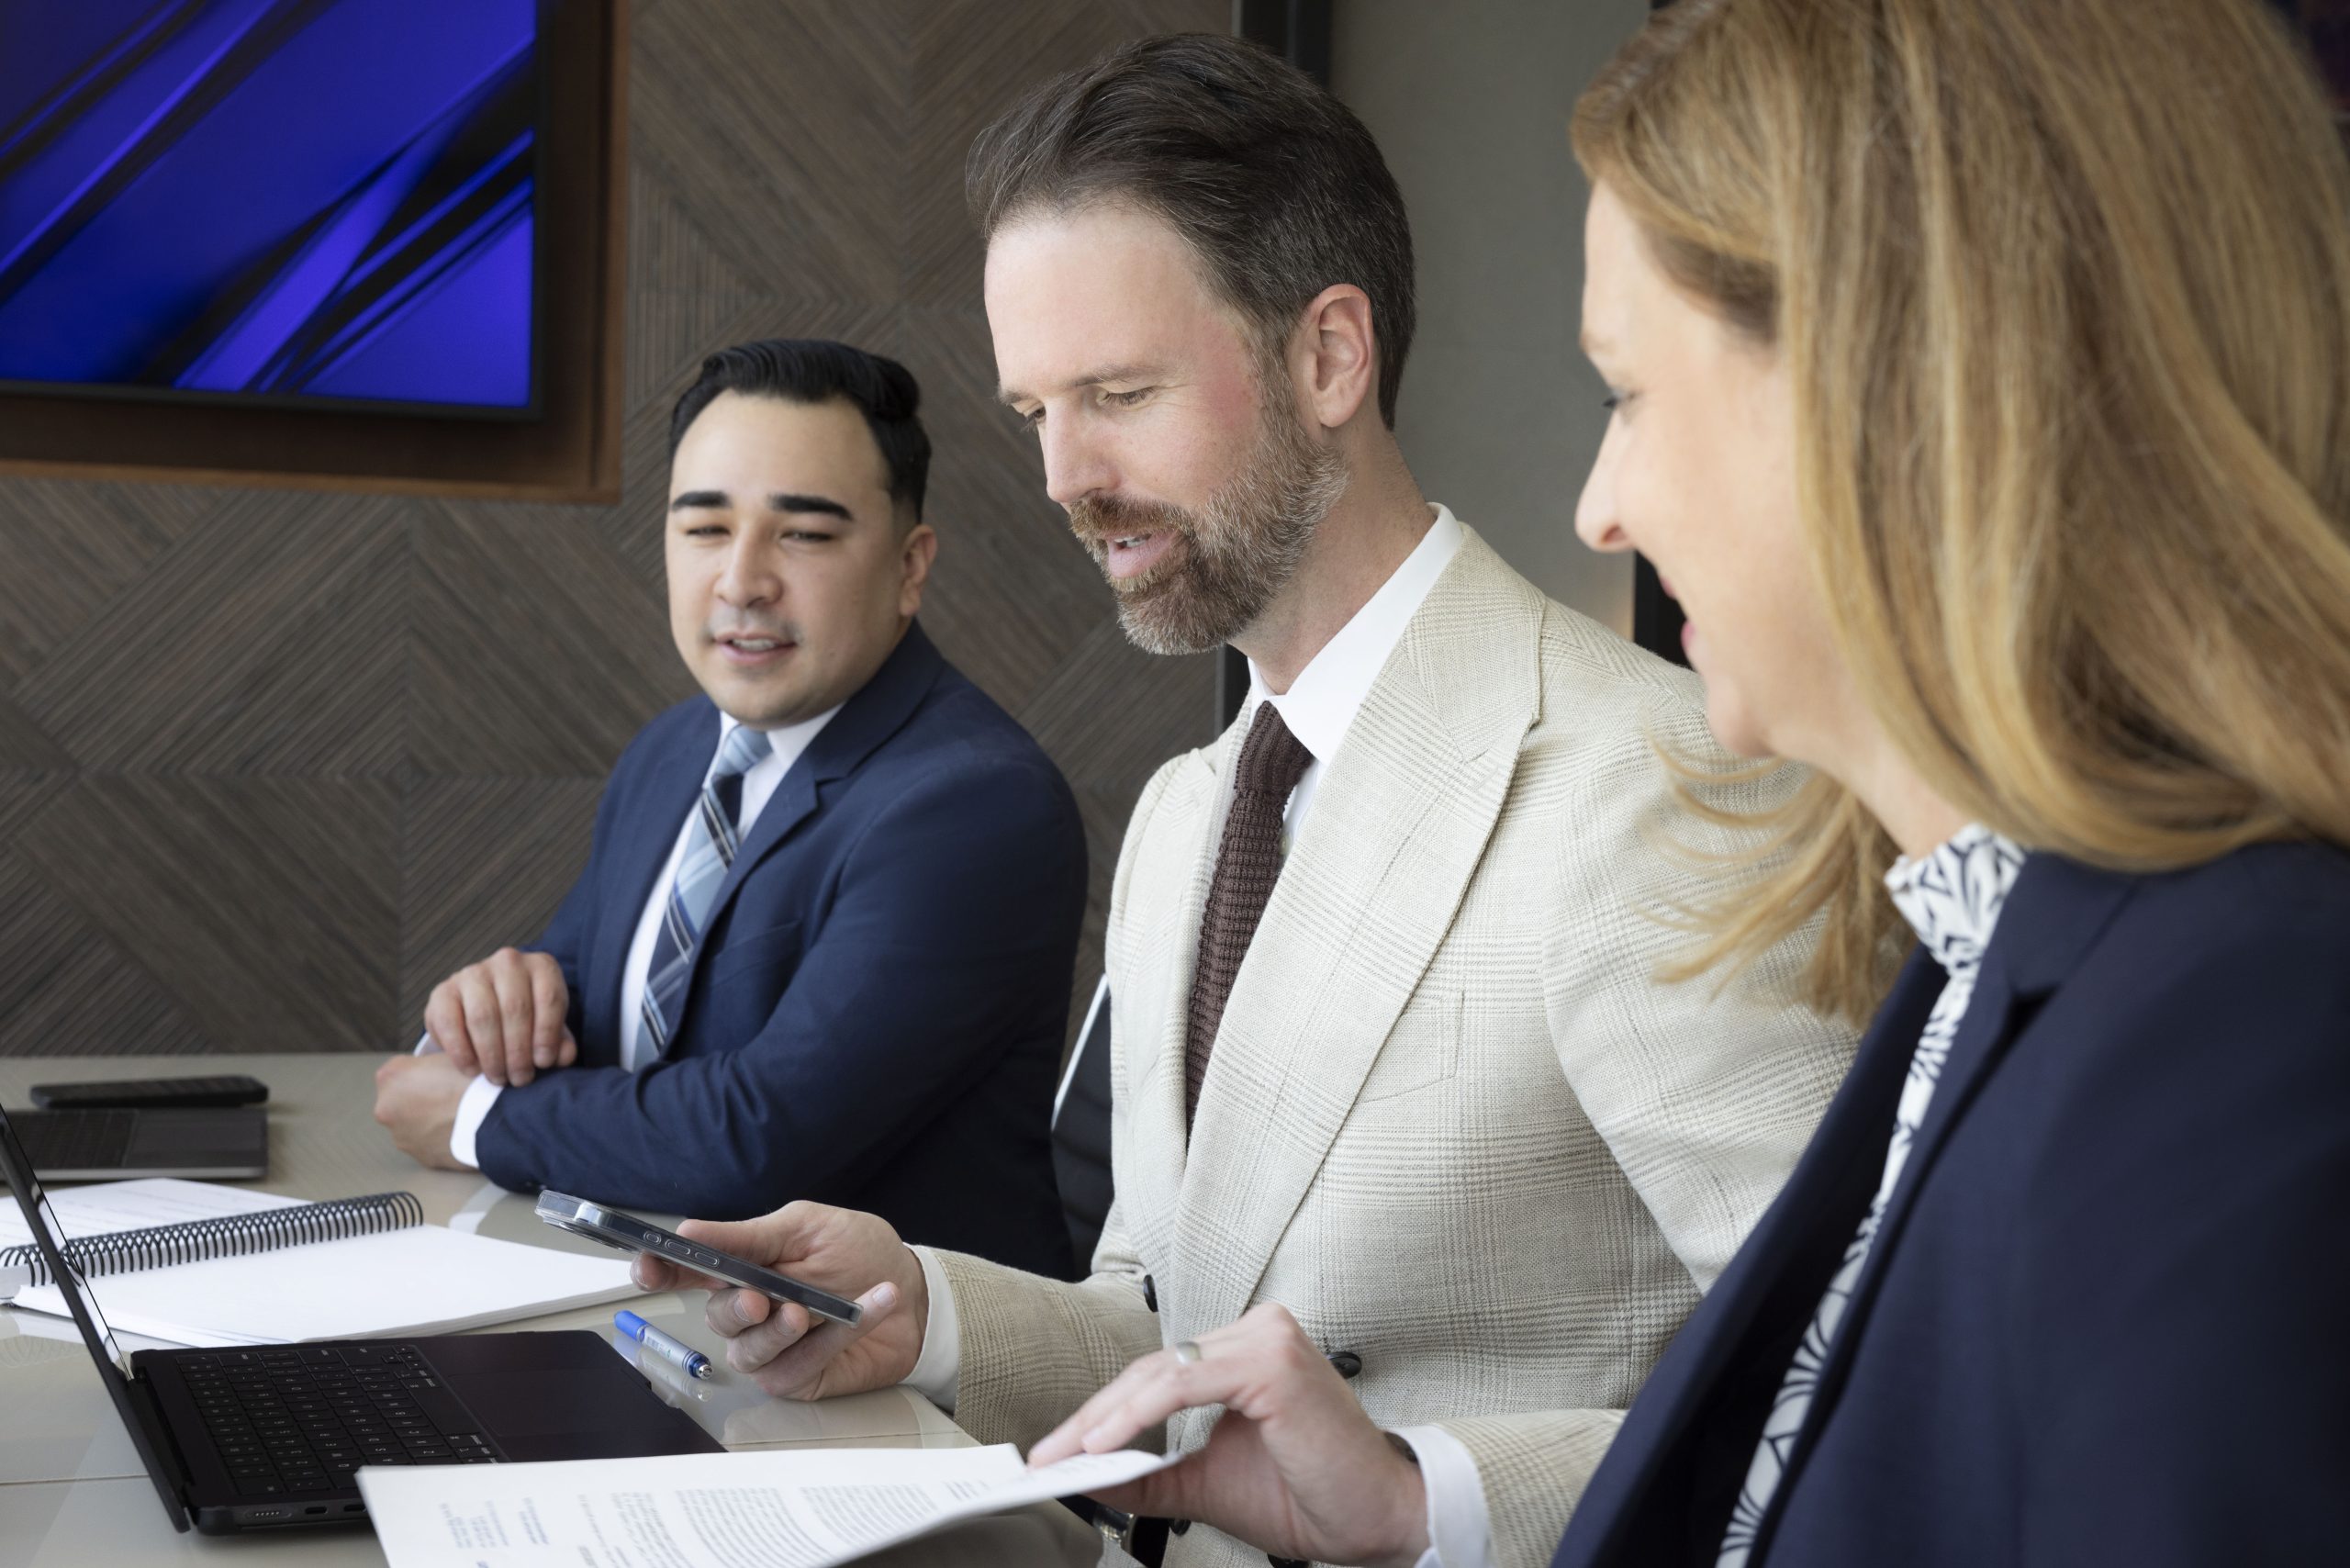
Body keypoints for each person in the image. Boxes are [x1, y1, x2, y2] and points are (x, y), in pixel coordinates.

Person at [636, 37, 1856, 1568]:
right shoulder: (1183, 813)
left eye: (1120, 393)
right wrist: (922, 1307)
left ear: (1329, 359)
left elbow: (1860, 1391)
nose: (1067, 475)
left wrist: (1434, 1499)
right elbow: (1178, 1319)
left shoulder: (1653, 781)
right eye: (1031, 414)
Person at [1542, 0, 2350, 1562]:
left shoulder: (2234, 1036)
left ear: (1889, 376)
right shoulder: (2001, 957)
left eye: (1624, 394)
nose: (1599, 509)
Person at [373, 339, 1084, 1280]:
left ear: (910, 568)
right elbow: (586, 1006)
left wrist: (472, 1117)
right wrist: (490, 1016)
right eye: (704, 528)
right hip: (664, 1312)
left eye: (803, 534)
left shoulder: (974, 804)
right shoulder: (674, 750)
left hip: (887, 1386)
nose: (741, 580)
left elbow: (761, 1137)